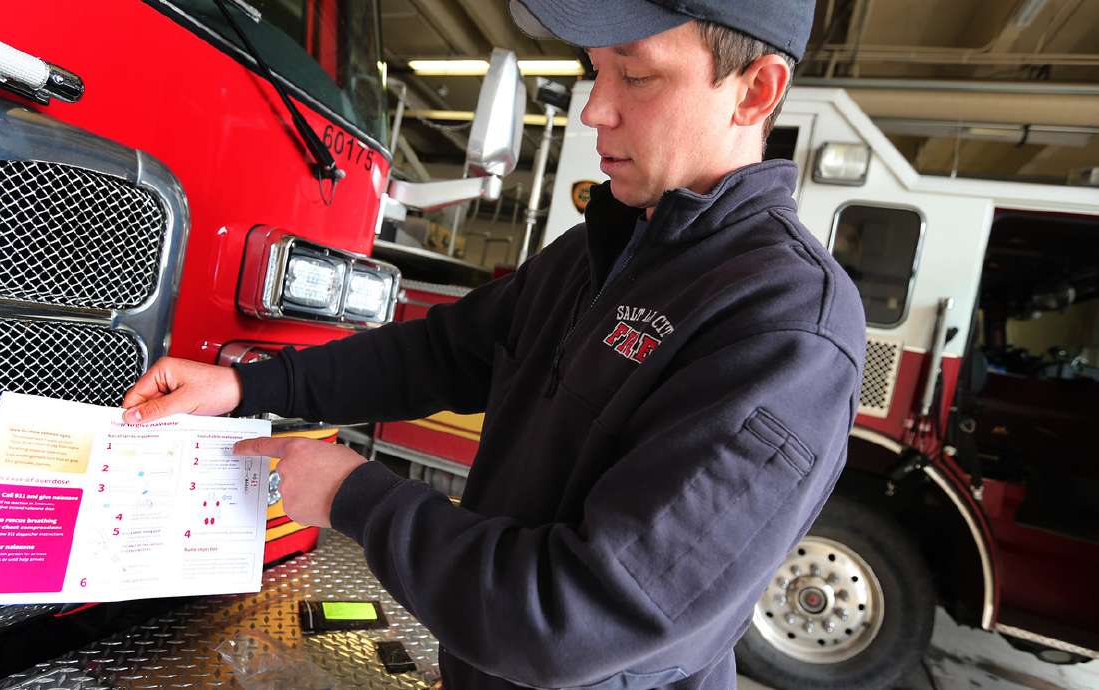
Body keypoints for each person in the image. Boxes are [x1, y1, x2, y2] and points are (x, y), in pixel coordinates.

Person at [121, 1, 866, 687]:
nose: (595, 112)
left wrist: (355, 495)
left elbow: (571, 616)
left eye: (637, 76)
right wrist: (250, 388)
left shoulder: (784, 322)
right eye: (596, 72)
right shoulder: (599, 252)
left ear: (755, 90)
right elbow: (439, 353)